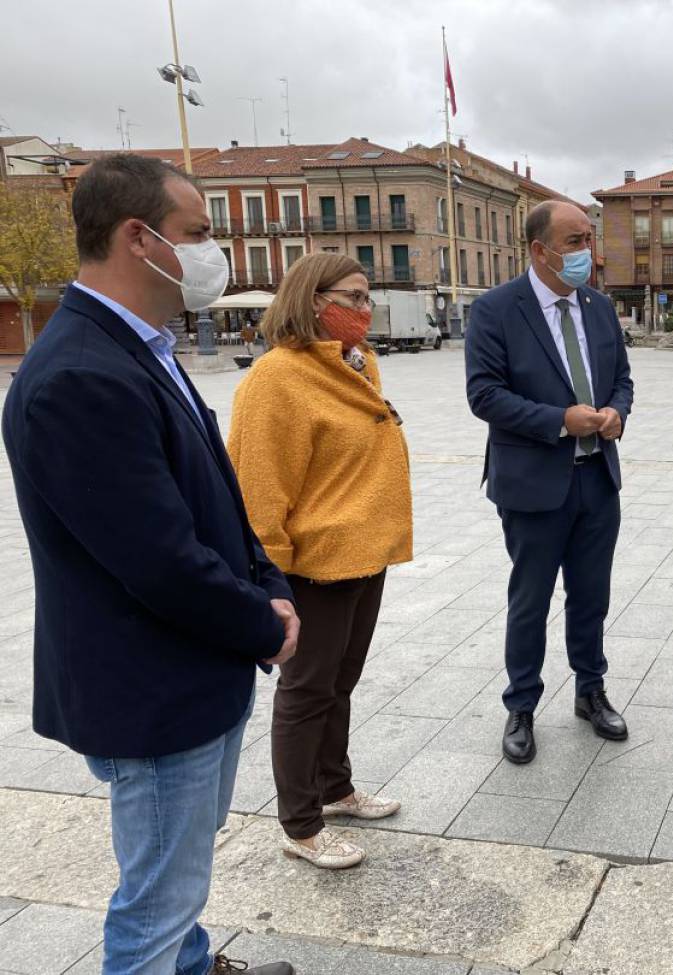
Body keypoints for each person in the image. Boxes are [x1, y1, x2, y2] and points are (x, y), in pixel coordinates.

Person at [0, 154, 298, 975]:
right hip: (152, 688)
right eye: (196, 232)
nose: (212, 251)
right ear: (139, 237)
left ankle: (190, 965)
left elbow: (214, 495)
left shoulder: (136, 347)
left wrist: (268, 583)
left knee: (176, 868)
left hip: (189, 670)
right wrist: (263, 623)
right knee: (156, 899)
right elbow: (158, 558)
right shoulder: (80, 374)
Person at [227, 253, 413, 868]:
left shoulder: (356, 364)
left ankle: (336, 789)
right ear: (313, 300)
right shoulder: (277, 380)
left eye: (367, 297)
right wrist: (270, 580)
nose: (364, 309)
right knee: (307, 691)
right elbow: (258, 489)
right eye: (352, 297)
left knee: (340, 682)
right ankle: (300, 824)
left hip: (364, 553)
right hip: (313, 566)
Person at [465, 200, 634, 765]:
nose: (587, 251)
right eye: (574, 241)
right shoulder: (496, 309)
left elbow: (622, 379)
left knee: (591, 596)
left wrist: (616, 412)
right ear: (540, 250)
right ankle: (521, 706)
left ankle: (591, 691)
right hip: (533, 484)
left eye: (589, 238)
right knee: (530, 600)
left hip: (597, 478)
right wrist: (560, 420)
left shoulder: (598, 307)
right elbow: (484, 395)